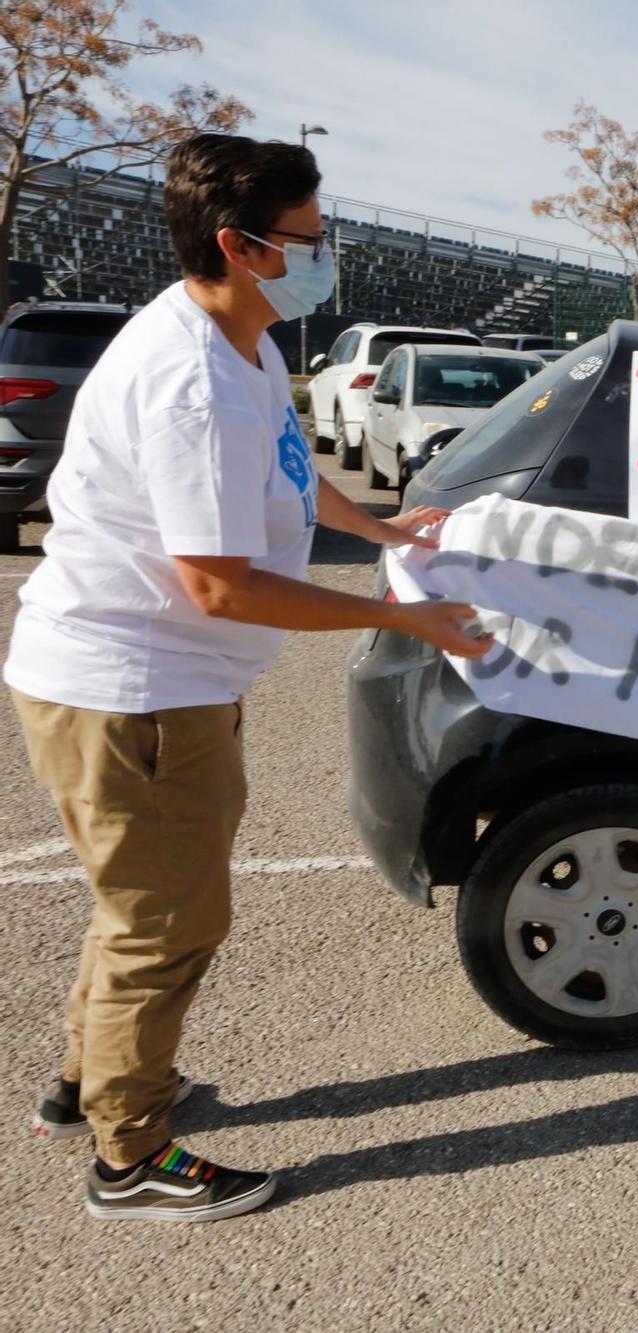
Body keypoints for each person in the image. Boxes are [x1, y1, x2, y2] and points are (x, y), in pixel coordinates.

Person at [7, 133, 491, 1222]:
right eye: (309, 242)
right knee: (168, 919)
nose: (326, 259)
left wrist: (376, 521)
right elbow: (221, 585)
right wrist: (402, 615)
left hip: (148, 682)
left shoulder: (245, 345)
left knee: (139, 901)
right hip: (133, 689)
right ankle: (130, 1157)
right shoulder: (190, 381)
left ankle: (88, 1086)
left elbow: (284, 466)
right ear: (239, 246)